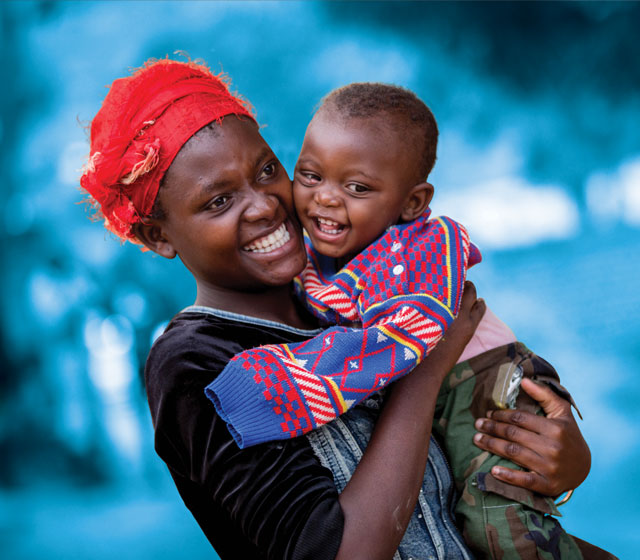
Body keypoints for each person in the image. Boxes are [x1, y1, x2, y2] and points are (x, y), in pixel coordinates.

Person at [79, 58, 595, 560]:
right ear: (158, 235)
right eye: (218, 201)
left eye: (266, 171)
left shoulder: (352, 293)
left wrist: (557, 465)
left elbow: (471, 508)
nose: (263, 204)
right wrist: (425, 363)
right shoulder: (197, 364)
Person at [205, 83, 616, 559]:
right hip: (447, 384)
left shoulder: (422, 250)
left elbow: (386, 347)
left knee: (499, 529)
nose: (326, 200)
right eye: (310, 175)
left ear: (414, 203)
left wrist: (268, 389)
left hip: (487, 383)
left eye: (356, 188)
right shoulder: (318, 257)